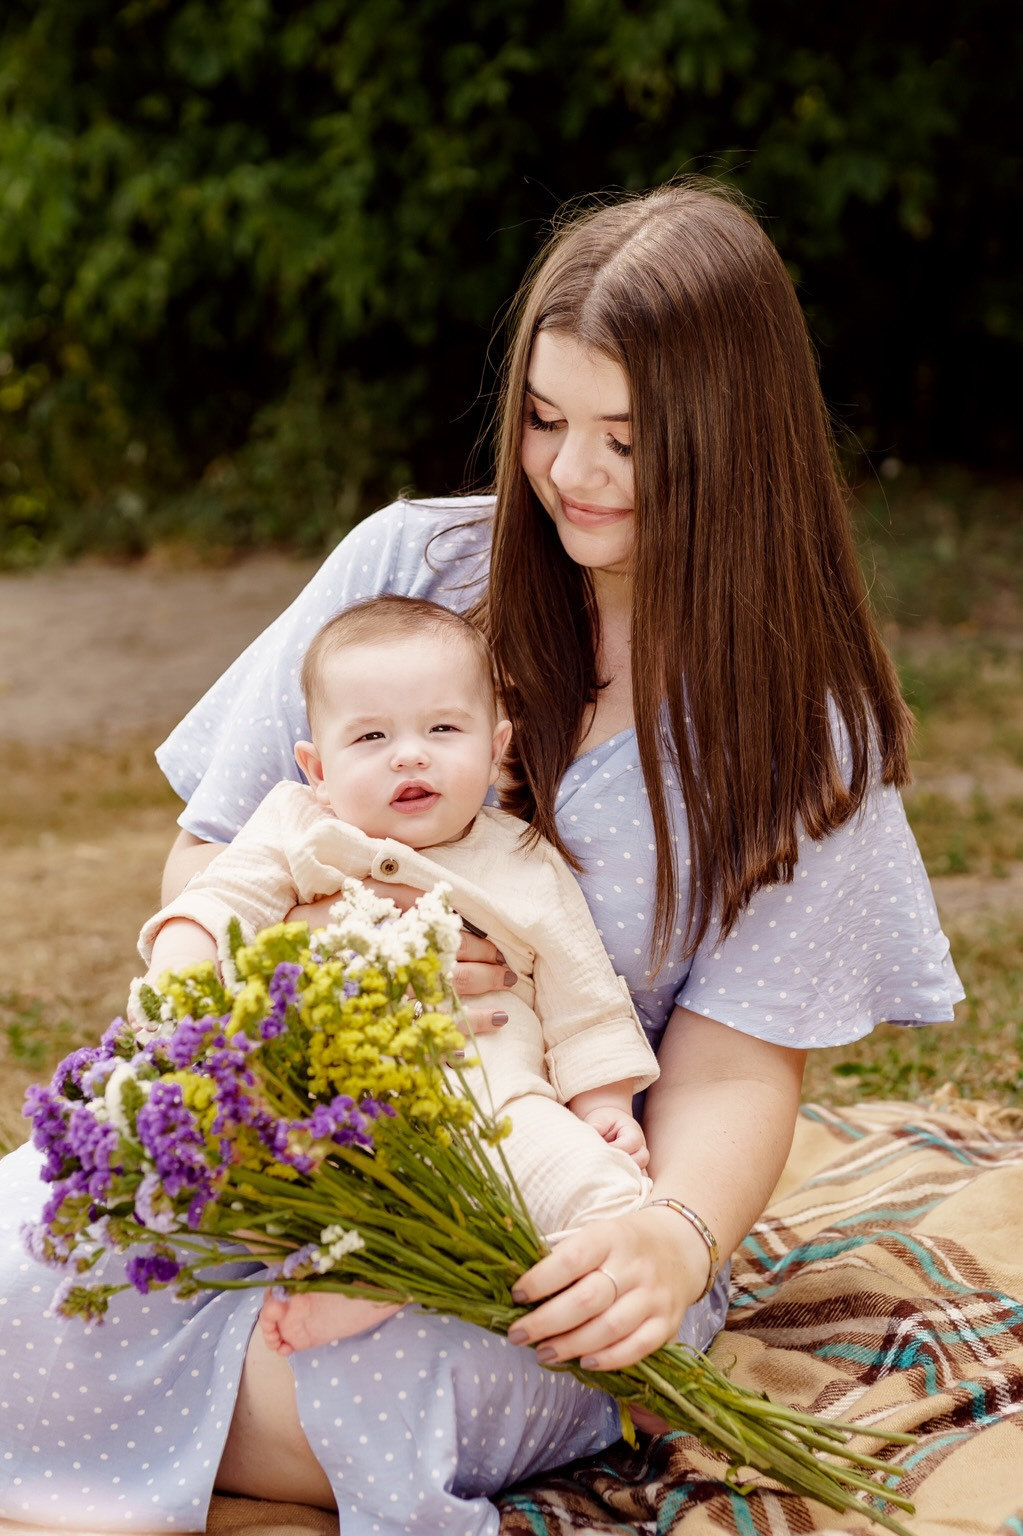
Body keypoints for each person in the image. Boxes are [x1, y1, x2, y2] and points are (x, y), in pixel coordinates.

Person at [0, 179, 962, 1536]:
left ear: (736, 441)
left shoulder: (800, 735)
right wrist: (301, 1023)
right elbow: (214, 853)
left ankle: (131, 1435)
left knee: (379, 1389)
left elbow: (738, 1066)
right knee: (25, 1255)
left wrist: (668, 1241)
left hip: (555, 1204)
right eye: (544, 419)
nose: (570, 474)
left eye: (627, 439)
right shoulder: (411, 568)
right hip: (304, 1135)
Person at [139, 593, 662, 1358]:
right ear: (317, 769)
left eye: (443, 729)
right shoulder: (298, 827)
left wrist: (604, 1099)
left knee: (604, 1196)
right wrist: (184, 976)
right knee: (241, 1173)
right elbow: (220, 899)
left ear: (495, 748)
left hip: (494, 1102)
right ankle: (360, 1269)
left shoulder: (521, 858)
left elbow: (583, 994)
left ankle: (640, 1360)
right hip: (332, 1110)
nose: (409, 755)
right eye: (372, 736)